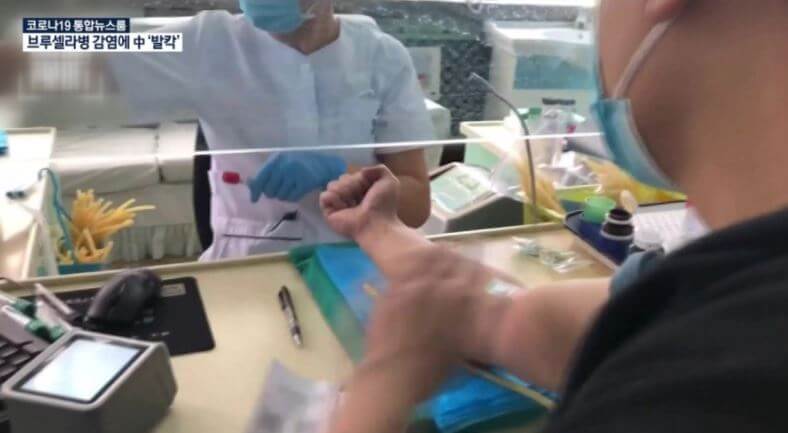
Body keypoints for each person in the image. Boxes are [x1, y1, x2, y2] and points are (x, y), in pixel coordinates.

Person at [317, 0, 788, 432]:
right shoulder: (725, 287)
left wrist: (381, 387)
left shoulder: (708, 390)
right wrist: (382, 231)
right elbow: (571, 320)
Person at [105, 0, 433, 259]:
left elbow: (416, 206)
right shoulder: (209, 42)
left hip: (359, 258)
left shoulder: (382, 57)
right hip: (251, 261)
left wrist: (342, 173)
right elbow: (83, 41)